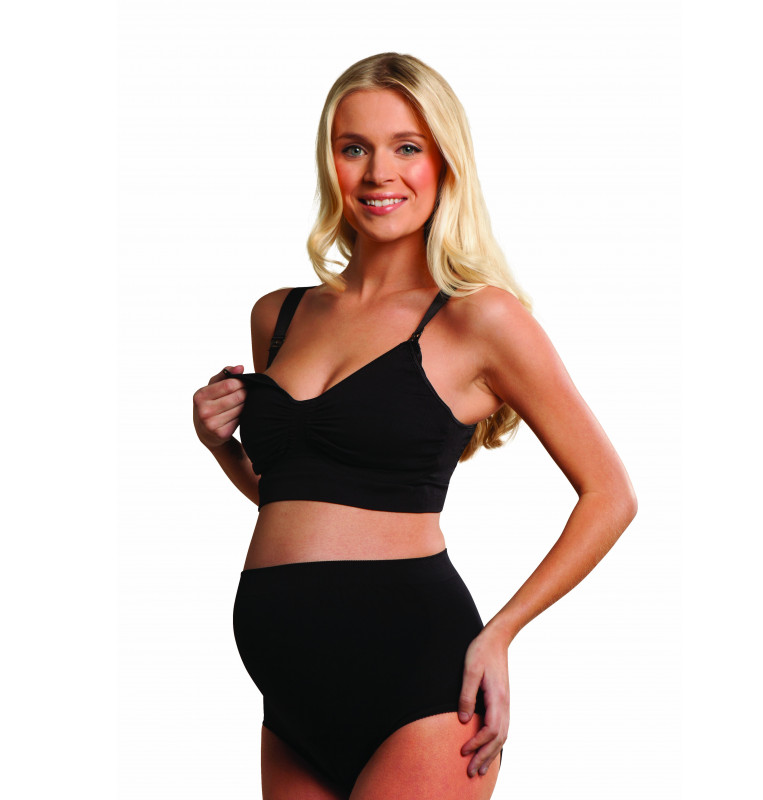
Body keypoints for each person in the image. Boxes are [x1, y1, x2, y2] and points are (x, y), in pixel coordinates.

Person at [192, 52, 637, 800]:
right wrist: (220, 448)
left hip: (420, 685)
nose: (379, 174)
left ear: (445, 162)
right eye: (354, 148)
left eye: (407, 147)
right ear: (330, 162)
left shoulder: (479, 318)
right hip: (288, 695)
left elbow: (611, 496)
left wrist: (501, 632)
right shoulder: (279, 314)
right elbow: (303, 497)